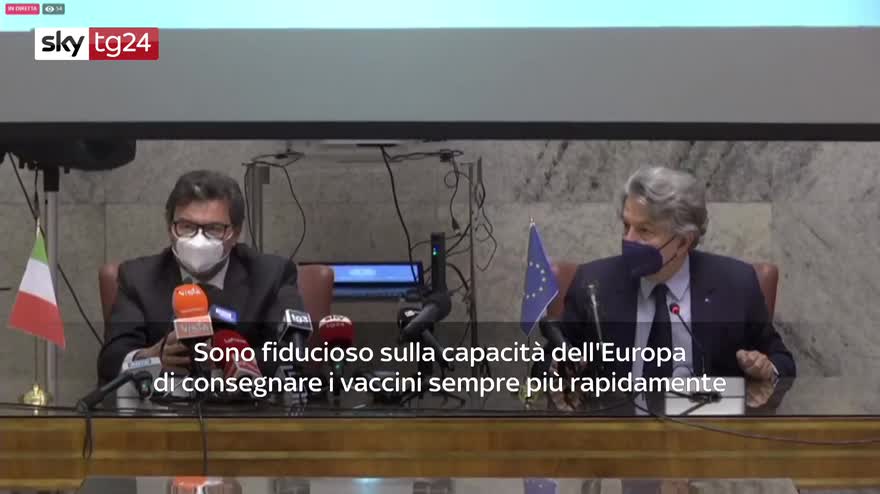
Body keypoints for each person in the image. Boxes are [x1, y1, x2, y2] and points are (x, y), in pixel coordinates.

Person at [560, 166, 795, 383]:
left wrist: (766, 369)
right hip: (618, 415)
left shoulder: (735, 284)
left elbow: (781, 361)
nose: (628, 240)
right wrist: (560, 368)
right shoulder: (593, 282)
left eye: (644, 230)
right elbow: (551, 358)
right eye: (626, 226)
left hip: (704, 414)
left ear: (683, 242)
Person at [97, 170, 304, 383]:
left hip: (245, 401)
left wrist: (235, 361)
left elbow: (291, 353)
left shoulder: (271, 274)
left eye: (214, 228)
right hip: (165, 400)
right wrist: (150, 358)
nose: (198, 240)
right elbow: (111, 361)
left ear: (236, 233)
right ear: (169, 228)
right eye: (186, 226)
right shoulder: (138, 278)